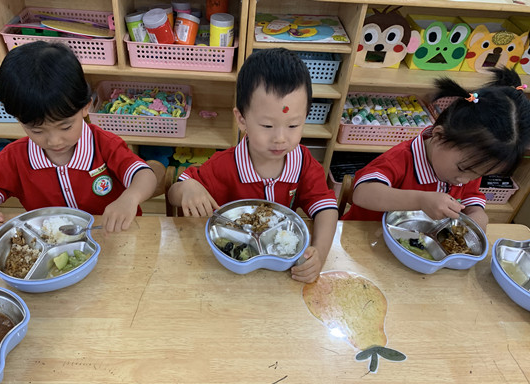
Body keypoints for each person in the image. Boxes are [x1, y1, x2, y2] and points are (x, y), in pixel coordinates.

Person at [168, 48, 338, 283]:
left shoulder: (303, 162)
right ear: (242, 119)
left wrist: (319, 253)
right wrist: (188, 188)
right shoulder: (224, 165)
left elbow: (326, 208)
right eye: (267, 126)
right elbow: (174, 193)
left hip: (280, 275)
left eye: (293, 125)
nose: (280, 138)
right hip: (228, 272)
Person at [0, 41, 157, 240]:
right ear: (19, 120)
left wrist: (130, 198)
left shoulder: (105, 145)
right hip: (54, 244)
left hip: (114, 236)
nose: (54, 141)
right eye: (37, 130)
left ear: (85, 107)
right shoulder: (15, 157)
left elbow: (145, 175)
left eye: (65, 127)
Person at [342, 67, 530, 231]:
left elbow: (471, 196)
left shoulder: (470, 167)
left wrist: (477, 213)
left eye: (479, 174)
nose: (464, 181)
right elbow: (363, 193)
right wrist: (421, 201)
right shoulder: (401, 159)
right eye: (462, 169)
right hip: (362, 237)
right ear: (439, 136)